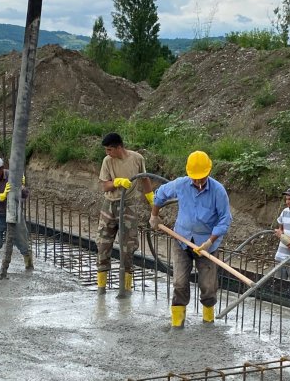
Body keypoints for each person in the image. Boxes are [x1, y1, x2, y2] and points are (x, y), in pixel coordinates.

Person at [149, 151, 231, 327]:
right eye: (195, 179)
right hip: (182, 240)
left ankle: (208, 321)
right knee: (179, 282)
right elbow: (160, 194)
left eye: (202, 178)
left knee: (208, 286)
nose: (198, 182)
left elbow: (225, 219)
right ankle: (177, 323)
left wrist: (210, 241)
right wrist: (154, 216)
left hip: (207, 244)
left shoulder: (218, 191)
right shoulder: (181, 184)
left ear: (209, 172)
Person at [96, 132, 154, 293]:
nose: (107, 153)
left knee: (128, 247)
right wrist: (117, 182)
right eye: (106, 150)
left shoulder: (137, 159)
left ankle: (126, 288)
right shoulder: (107, 161)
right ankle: (101, 287)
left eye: (109, 150)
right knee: (103, 244)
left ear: (119, 147)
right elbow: (104, 186)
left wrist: (151, 198)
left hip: (128, 206)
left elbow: (145, 179)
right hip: (110, 205)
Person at [0, 156, 33, 272]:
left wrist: (21, 187)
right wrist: (0, 196)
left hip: (15, 214)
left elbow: (25, 195)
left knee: (23, 242)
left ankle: (29, 267)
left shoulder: (12, 176)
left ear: (2, 168)